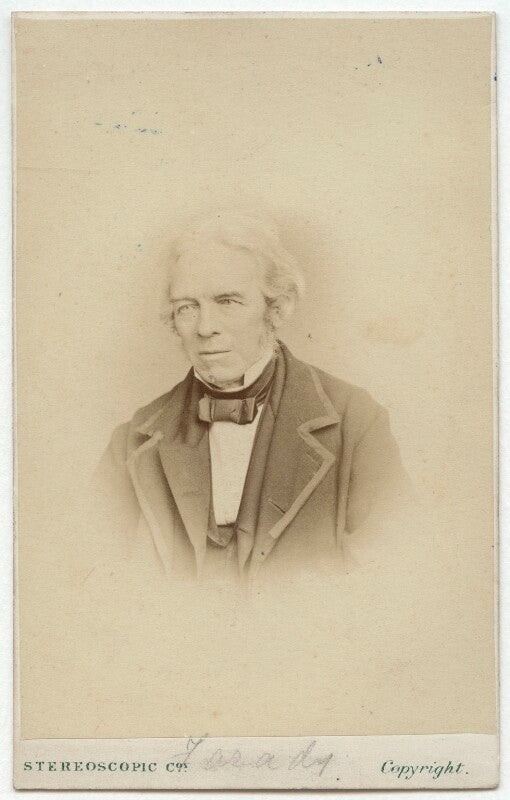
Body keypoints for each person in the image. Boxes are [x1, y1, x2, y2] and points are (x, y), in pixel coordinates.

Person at [94, 211, 409, 588]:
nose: (205, 327)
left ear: (278, 308)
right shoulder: (133, 443)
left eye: (227, 301)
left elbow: (392, 577)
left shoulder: (355, 423)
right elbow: (91, 580)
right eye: (187, 307)